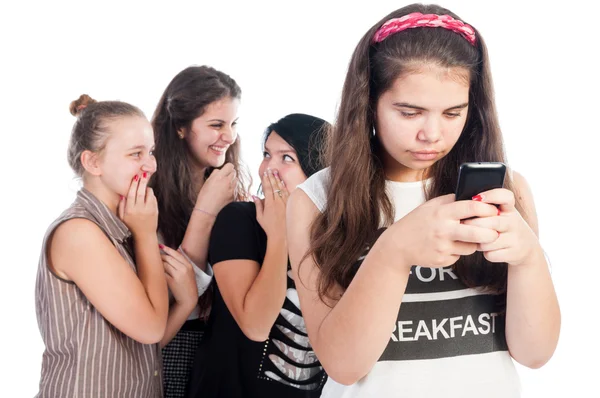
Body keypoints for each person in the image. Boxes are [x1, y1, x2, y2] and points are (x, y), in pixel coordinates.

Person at [287, 4, 561, 398]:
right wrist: (395, 250)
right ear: (368, 104)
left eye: (453, 112)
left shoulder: (509, 190)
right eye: (409, 112)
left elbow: (535, 354)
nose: (432, 134)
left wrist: (528, 258)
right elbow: (343, 365)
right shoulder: (316, 200)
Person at [35, 94, 190, 397]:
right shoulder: (80, 233)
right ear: (93, 162)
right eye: (135, 154)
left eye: (151, 152)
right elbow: (150, 328)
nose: (151, 166)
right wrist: (146, 235)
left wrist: (184, 304)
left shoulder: (128, 224)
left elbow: (143, 345)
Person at [186, 114, 330, 398]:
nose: (268, 168)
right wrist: (279, 235)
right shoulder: (239, 220)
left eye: (287, 158)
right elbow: (255, 325)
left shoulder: (339, 237)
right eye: (266, 154)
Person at [150, 65, 250, 398]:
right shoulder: (148, 196)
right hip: (172, 350)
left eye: (233, 124)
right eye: (216, 125)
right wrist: (205, 212)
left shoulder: (230, 185)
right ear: (180, 128)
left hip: (223, 350)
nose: (229, 136)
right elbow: (167, 298)